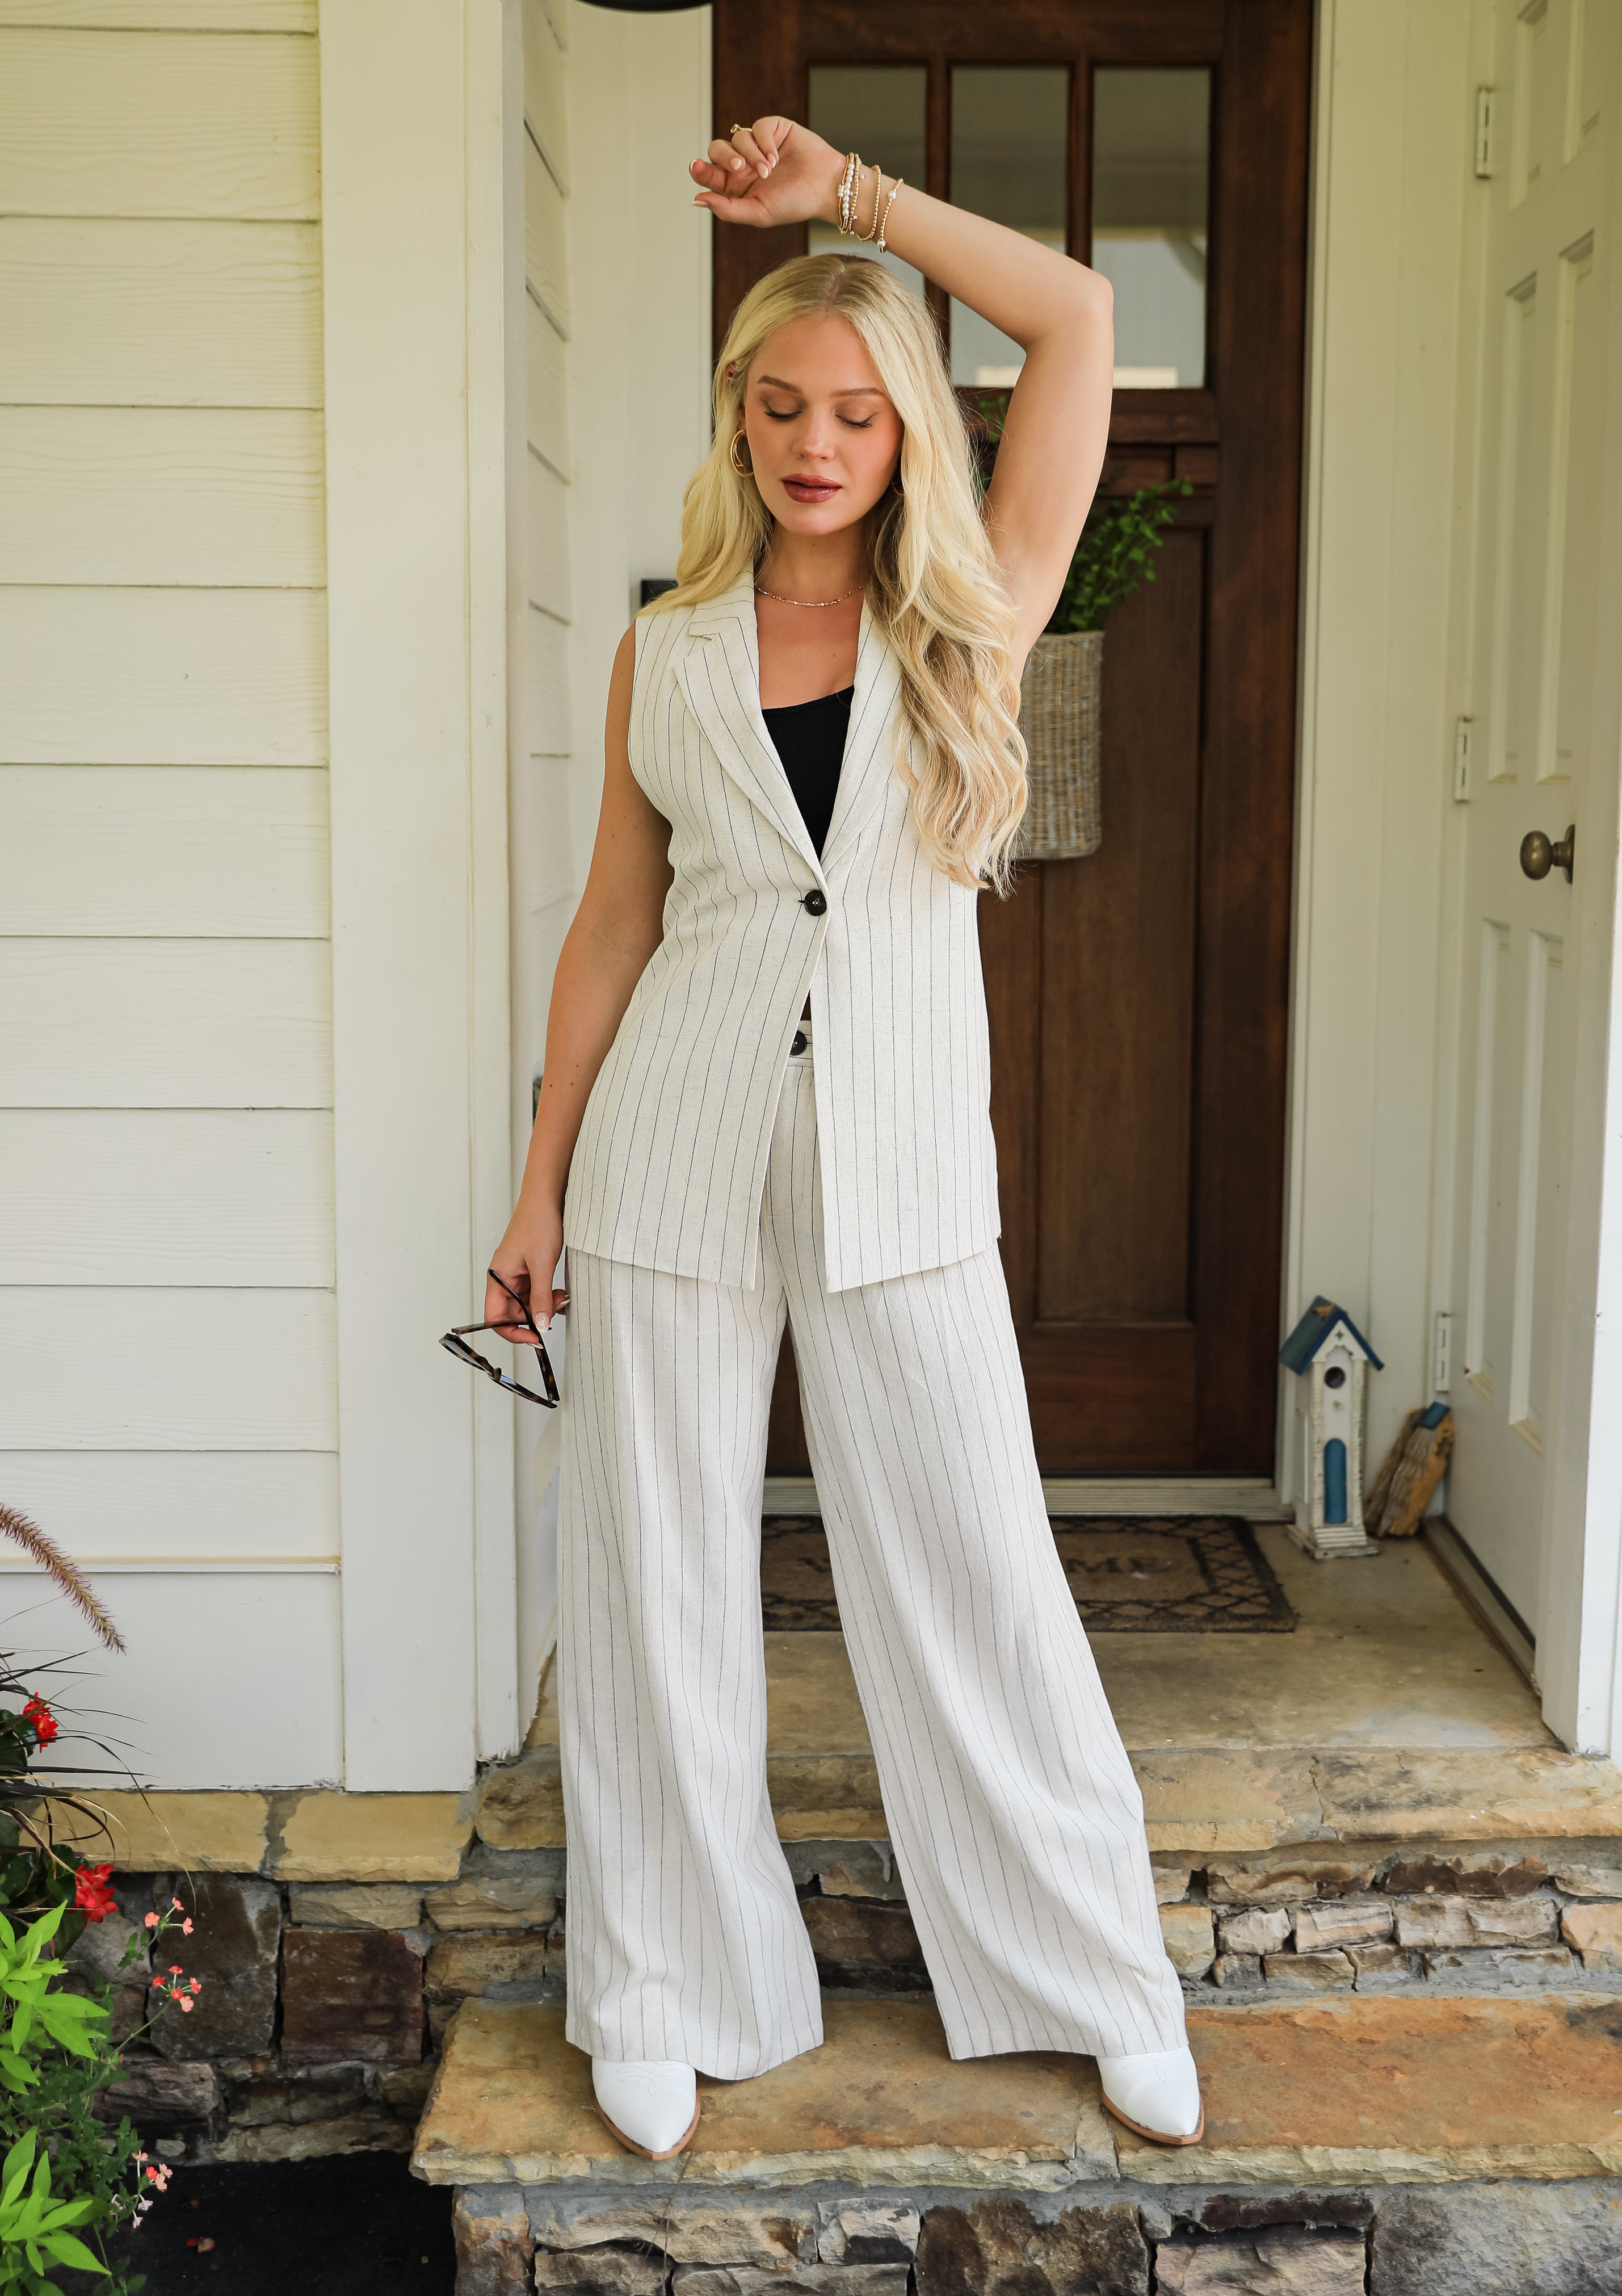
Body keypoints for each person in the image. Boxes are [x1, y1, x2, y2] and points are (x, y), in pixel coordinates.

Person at [486, 113, 1203, 2162]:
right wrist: (536, 1184)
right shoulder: (667, 646)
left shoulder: (966, 623)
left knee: (975, 1568)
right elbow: (614, 924)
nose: (816, 441)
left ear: (906, 439)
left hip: (897, 1161)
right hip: (666, 1153)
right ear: (739, 421)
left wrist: (853, 211)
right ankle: (661, 1984)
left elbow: (1074, 318)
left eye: (860, 411)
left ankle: (1094, 1978)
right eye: (783, 406)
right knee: (654, 1581)